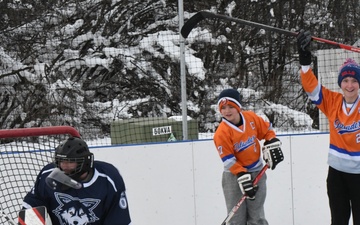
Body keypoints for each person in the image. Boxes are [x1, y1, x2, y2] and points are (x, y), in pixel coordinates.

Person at [297, 30, 360, 225]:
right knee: (338, 221)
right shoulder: (332, 102)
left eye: (354, 80)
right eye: (346, 80)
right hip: (337, 175)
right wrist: (305, 60)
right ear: (340, 82)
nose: (350, 85)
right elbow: (311, 87)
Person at [21, 136, 132, 225]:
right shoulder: (48, 175)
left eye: (70, 162)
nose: (64, 166)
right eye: (61, 161)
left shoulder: (108, 178)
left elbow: (118, 219)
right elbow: (32, 205)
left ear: (84, 162)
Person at [213, 88, 284, 225]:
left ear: (238, 107)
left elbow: (267, 130)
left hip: (257, 171)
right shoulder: (221, 133)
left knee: (257, 217)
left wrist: (271, 141)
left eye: (231, 107)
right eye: (223, 108)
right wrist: (241, 175)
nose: (227, 111)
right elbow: (228, 160)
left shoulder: (250, 118)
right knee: (236, 220)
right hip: (233, 177)